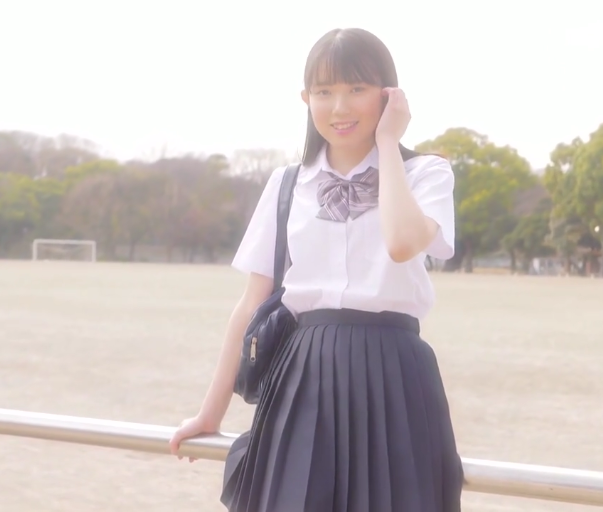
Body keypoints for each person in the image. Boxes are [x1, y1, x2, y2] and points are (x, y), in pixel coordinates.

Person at [168, 27, 464, 512]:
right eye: (324, 92)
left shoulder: (425, 173)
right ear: (306, 99)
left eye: (356, 88)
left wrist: (388, 143)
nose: (339, 107)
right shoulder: (287, 183)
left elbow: (402, 243)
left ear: (388, 94)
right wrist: (209, 414)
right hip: (303, 374)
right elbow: (250, 304)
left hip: (395, 373)